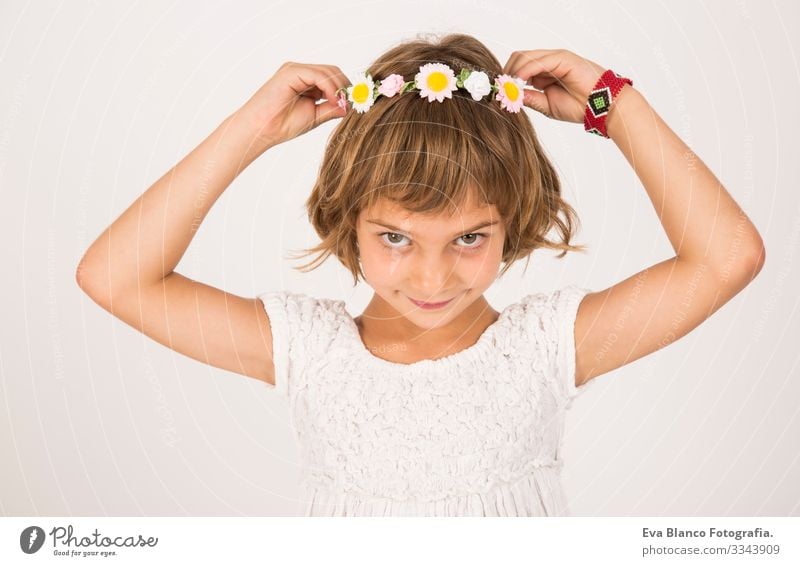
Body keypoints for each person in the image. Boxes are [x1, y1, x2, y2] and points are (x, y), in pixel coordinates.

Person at [75, 33, 765, 517]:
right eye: (396, 237)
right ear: (349, 220)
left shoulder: (548, 347)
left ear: (512, 220)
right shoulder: (307, 350)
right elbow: (114, 276)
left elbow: (725, 257)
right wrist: (253, 129)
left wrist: (613, 106)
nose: (432, 275)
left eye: (469, 237)